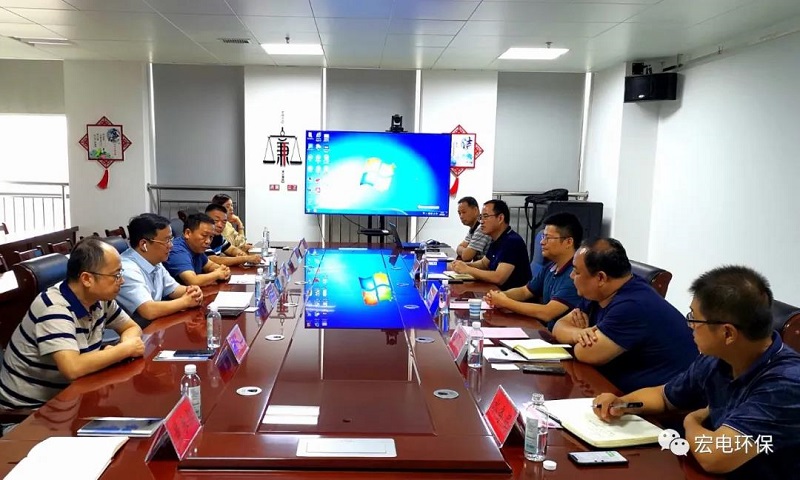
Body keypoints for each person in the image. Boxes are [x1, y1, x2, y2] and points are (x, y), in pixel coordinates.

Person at [593, 266, 800, 478]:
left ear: (727, 333)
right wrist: (623, 404)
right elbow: (664, 396)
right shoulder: (718, 358)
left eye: (694, 318)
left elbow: (715, 457)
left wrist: (691, 420)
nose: (689, 325)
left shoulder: (786, 384)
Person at [0, 238, 145, 409]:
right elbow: (72, 368)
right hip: (30, 411)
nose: (122, 281)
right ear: (87, 279)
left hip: (72, 396)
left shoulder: (99, 299)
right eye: (116, 275)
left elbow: (130, 327)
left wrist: (124, 345)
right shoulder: (54, 308)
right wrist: (123, 350)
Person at [552, 238, 698, 393]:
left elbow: (586, 353)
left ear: (600, 278)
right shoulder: (599, 293)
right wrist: (578, 334)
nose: (571, 276)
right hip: (614, 388)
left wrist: (576, 336)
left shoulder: (633, 304)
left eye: (577, 272)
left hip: (664, 400)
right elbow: (558, 326)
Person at [484, 212, 583, 330]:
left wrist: (505, 302)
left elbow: (547, 313)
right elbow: (525, 291)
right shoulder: (551, 267)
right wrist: (500, 295)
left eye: (548, 238)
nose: (542, 242)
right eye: (543, 237)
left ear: (569, 242)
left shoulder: (575, 275)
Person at [117, 213, 204, 327]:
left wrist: (192, 291)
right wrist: (185, 302)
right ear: (144, 244)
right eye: (166, 240)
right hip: (137, 330)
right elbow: (148, 310)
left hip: (155, 327)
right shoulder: (127, 269)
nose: (171, 245)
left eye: (171, 239)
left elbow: (174, 289)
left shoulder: (154, 261)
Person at [448, 199, 531, 290]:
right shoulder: (496, 238)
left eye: (486, 216)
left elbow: (498, 278)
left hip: (510, 295)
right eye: (481, 217)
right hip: (495, 291)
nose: (481, 221)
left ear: (500, 218)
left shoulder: (512, 241)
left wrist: (467, 269)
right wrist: (462, 265)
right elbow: (484, 263)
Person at [163, 213, 231, 286]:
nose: (208, 241)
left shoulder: (196, 247)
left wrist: (223, 270)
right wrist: (217, 274)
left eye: (211, 237)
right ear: (187, 233)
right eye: (204, 235)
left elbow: (209, 266)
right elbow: (193, 281)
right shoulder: (177, 251)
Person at [455, 196, 491, 261]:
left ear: (475, 210)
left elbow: (466, 256)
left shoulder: (481, 227)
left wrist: (464, 251)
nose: (461, 216)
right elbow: (459, 247)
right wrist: (464, 250)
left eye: (464, 212)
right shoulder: (473, 228)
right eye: (459, 213)